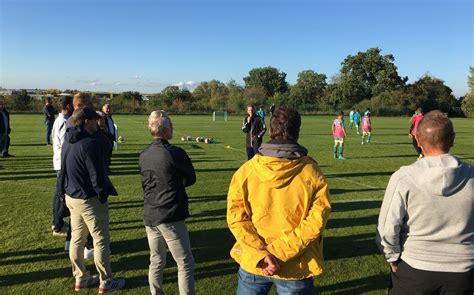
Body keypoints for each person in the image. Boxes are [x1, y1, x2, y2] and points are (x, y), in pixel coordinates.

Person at [227, 107, 331, 295]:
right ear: (297, 131)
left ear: (271, 129)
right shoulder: (311, 172)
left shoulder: (246, 171)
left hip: (256, 260)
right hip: (294, 263)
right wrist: (277, 253)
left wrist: (263, 254)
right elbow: (316, 222)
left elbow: (236, 219)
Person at [376, 111, 474, 294]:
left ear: (418, 142)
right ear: (452, 139)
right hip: (462, 272)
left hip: (415, 269)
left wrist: (391, 258)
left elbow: (387, 229)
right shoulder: (471, 175)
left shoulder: (403, 177)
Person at [61, 107, 125, 293]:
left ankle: (80, 278)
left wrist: (62, 194)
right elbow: (97, 175)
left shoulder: (68, 139)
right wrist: (102, 196)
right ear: (87, 121)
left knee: (77, 238)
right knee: (100, 240)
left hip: (71, 196)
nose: (98, 123)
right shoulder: (90, 143)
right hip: (89, 199)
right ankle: (106, 282)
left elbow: (63, 172)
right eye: (95, 120)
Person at [139, 110, 196, 295]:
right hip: (169, 213)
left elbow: (147, 184)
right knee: (185, 262)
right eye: (170, 125)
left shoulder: (144, 154)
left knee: (156, 260)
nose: (173, 128)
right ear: (164, 129)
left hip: (150, 213)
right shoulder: (175, 153)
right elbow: (191, 177)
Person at [51, 95, 73, 238]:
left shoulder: (59, 120)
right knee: (60, 195)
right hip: (63, 163)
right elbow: (66, 146)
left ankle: (56, 222)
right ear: (68, 106)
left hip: (59, 161)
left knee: (58, 193)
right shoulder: (64, 122)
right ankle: (58, 226)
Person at [101, 103, 116, 169]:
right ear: (103, 108)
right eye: (107, 108)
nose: (108, 110)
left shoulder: (109, 116)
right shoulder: (102, 117)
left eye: (109, 108)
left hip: (111, 138)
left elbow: (111, 127)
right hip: (106, 139)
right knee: (105, 155)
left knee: (109, 154)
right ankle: (106, 169)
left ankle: (107, 168)